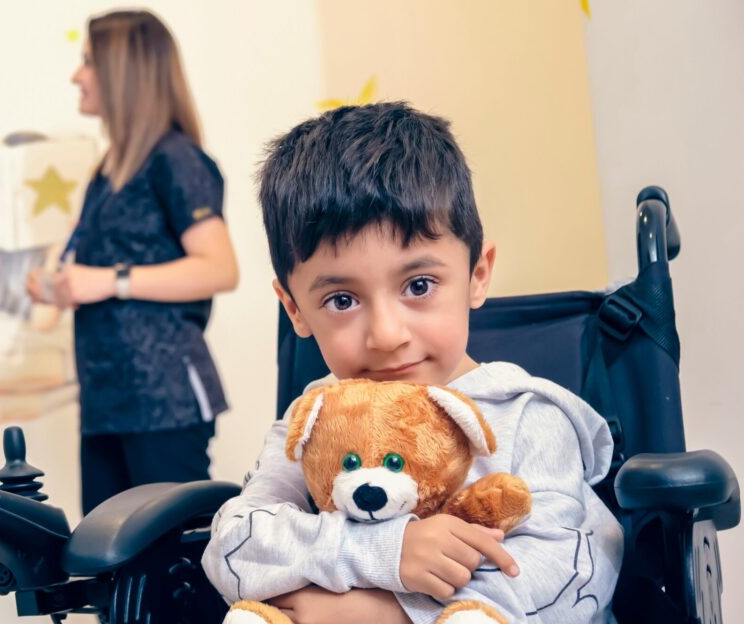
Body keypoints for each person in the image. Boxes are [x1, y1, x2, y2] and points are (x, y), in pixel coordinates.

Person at [201, 102, 622, 622]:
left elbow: (568, 571)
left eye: (418, 286)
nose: (386, 335)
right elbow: (235, 545)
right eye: (342, 300)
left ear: (477, 274)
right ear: (295, 309)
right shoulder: (311, 421)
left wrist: (378, 613)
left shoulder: (529, 416)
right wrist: (388, 554)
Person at [27, 9, 239, 514]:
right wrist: (62, 286)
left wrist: (107, 280)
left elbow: (219, 268)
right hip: (107, 403)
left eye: (87, 63)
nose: (76, 77)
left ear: (123, 71)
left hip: (163, 401)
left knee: (173, 571)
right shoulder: (108, 171)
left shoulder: (176, 158)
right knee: (110, 568)